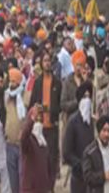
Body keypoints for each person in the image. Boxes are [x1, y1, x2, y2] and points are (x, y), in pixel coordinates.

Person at [28, 50, 62, 181]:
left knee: (52, 158)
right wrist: (41, 109)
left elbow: (61, 104)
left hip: (52, 126)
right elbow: (32, 104)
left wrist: (52, 111)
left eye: (49, 61)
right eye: (45, 61)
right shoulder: (37, 82)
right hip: (39, 126)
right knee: (40, 157)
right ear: (41, 63)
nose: (47, 63)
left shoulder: (57, 83)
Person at [63, 81, 95, 193]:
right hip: (78, 177)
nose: (87, 100)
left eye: (89, 96)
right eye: (84, 97)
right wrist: (80, 165)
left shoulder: (94, 122)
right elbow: (67, 153)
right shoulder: (73, 122)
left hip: (94, 178)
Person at [82, 116, 109, 193]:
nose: (106, 134)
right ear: (99, 131)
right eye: (104, 130)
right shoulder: (90, 152)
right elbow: (87, 177)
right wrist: (104, 176)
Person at [20, 105, 52, 193]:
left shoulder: (43, 142)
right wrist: (32, 119)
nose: (38, 123)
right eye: (36, 120)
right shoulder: (28, 141)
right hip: (31, 189)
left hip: (43, 189)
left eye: (40, 120)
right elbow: (24, 136)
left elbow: (48, 167)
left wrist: (50, 187)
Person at [4, 68, 25, 193]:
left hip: (22, 145)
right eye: (10, 81)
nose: (11, 84)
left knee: (22, 178)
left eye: (14, 81)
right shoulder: (6, 97)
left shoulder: (24, 96)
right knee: (13, 181)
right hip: (9, 143)